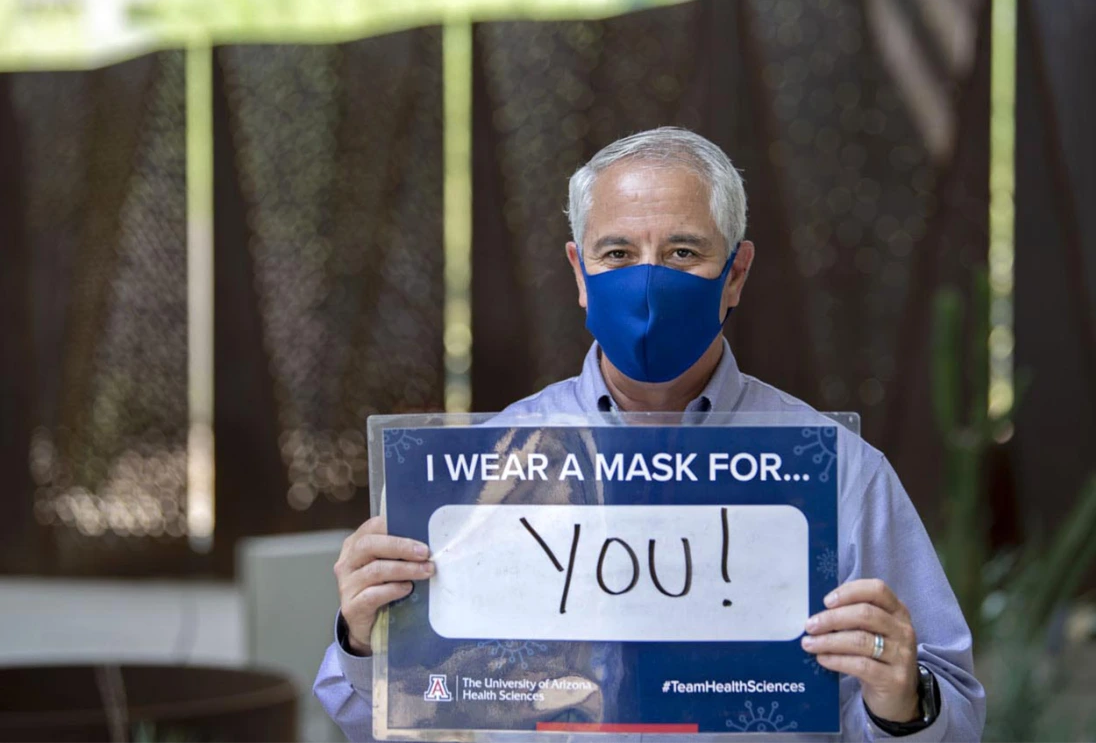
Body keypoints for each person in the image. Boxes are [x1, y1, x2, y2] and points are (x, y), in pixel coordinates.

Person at [314, 127, 985, 741]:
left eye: (682, 251)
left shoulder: (836, 472)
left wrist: (905, 697)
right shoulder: (484, 469)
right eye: (618, 252)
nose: (646, 281)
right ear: (580, 273)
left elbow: (954, 710)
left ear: (736, 274)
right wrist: (365, 638)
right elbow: (374, 717)